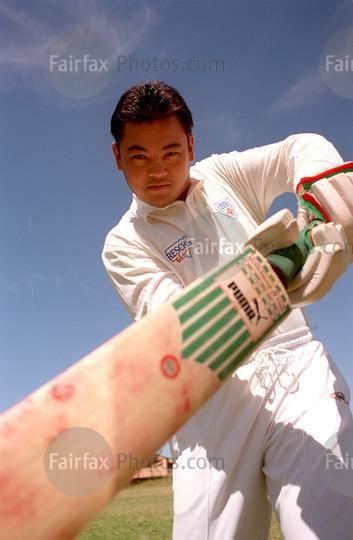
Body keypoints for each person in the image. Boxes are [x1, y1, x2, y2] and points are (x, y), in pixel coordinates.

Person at [102, 80, 353, 539]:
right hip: (211, 392)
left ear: (192, 145)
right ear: (117, 156)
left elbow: (301, 146)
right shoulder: (123, 244)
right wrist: (268, 280)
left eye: (172, 152)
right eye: (139, 156)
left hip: (298, 365)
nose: (157, 170)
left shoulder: (224, 175)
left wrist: (323, 187)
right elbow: (179, 323)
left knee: (331, 526)